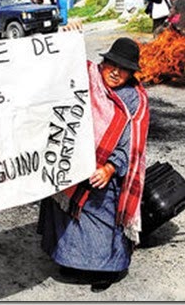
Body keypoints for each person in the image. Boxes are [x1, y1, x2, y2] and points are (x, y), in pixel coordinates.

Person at [38, 37, 150, 293]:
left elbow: (131, 146)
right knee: (65, 217)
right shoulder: (86, 78)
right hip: (74, 163)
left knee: (102, 220)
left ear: (131, 73)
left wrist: (110, 167)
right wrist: (66, 35)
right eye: (112, 64)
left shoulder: (134, 101)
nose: (115, 72)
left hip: (106, 171)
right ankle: (72, 261)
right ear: (104, 62)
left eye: (123, 69)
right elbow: (58, 65)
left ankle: (108, 269)